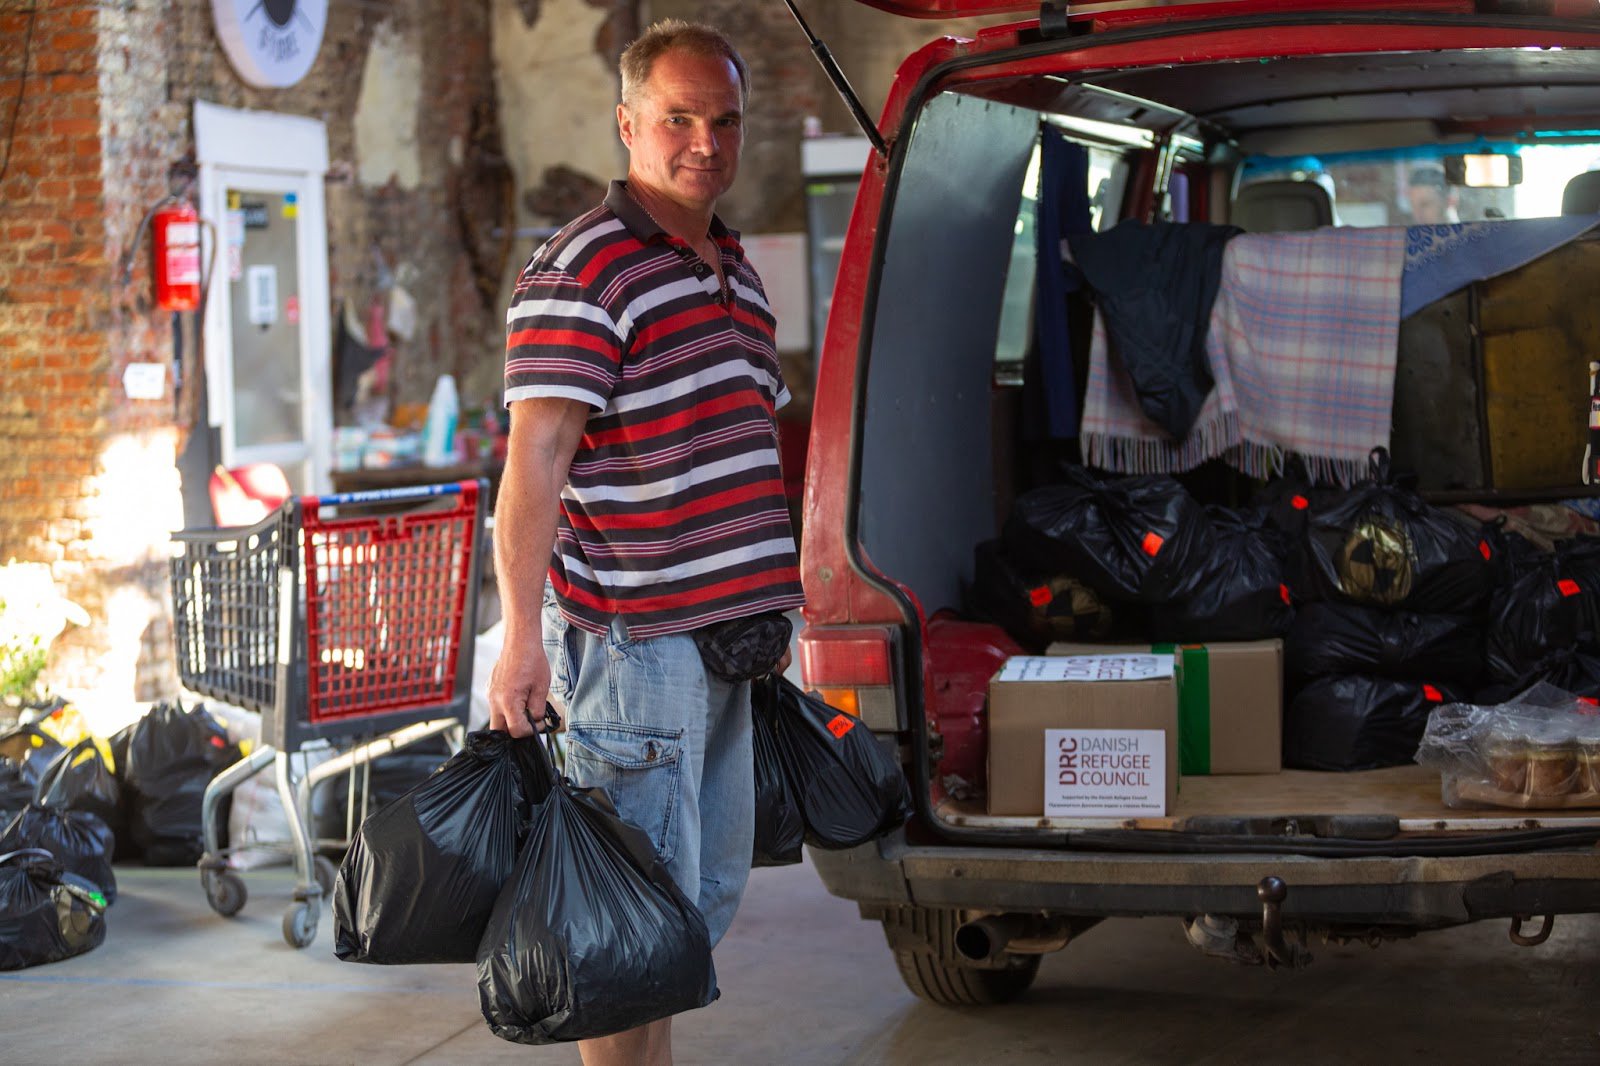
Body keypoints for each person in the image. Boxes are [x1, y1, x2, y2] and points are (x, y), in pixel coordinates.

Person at [487, 19, 803, 1066]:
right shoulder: (585, 266)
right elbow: (533, 465)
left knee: (684, 913)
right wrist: (520, 635)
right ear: (628, 124)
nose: (704, 141)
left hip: (729, 646)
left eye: (723, 120)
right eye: (677, 118)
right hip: (636, 648)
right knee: (628, 923)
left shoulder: (737, 270)